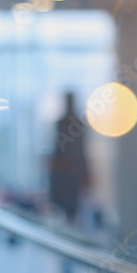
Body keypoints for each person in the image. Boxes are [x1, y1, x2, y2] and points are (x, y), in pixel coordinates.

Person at [49, 91, 89, 225]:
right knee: (63, 208)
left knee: (72, 209)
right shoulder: (61, 123)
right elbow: (57, 149)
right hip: (64, 173)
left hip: (73, 173)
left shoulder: (78, 124)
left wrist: (85, 174)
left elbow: (82, 151)